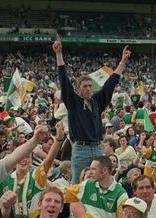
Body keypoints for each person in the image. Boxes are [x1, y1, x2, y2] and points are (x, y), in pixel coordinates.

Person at [53, 35, 130, 181]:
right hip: (81, 149)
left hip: (97, 148)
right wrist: (59, 54)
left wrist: (122, 62)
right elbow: (64, 80)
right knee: (78, 185)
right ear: (78, 89)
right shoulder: (73, 101)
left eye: (90, 86)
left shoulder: (96, 101)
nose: (89, 89)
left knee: (98, 184)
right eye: (85, 86)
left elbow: (110, 83)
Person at [64, 155, 129, 218]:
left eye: (93, 169)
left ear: (104, 170)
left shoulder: (120, 194)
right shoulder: (88, 185)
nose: (90, 172)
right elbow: (64, 194)